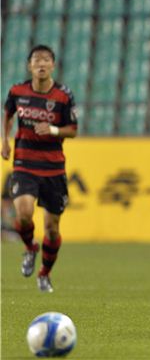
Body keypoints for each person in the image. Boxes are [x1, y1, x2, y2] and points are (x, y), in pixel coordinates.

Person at [1, 45, 78, 293]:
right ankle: (30, 248)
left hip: (54, 167)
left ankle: (44, 274)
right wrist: (5, 139)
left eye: (46, 60)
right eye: (36, 60)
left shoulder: (63, 97)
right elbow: (8, 113)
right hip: (25, 163)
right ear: (30, 66)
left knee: (52, 228)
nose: (41, 64)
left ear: (53, 65)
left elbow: (73, 130)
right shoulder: (17, 91)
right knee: (23, 213)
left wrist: (53, 130)